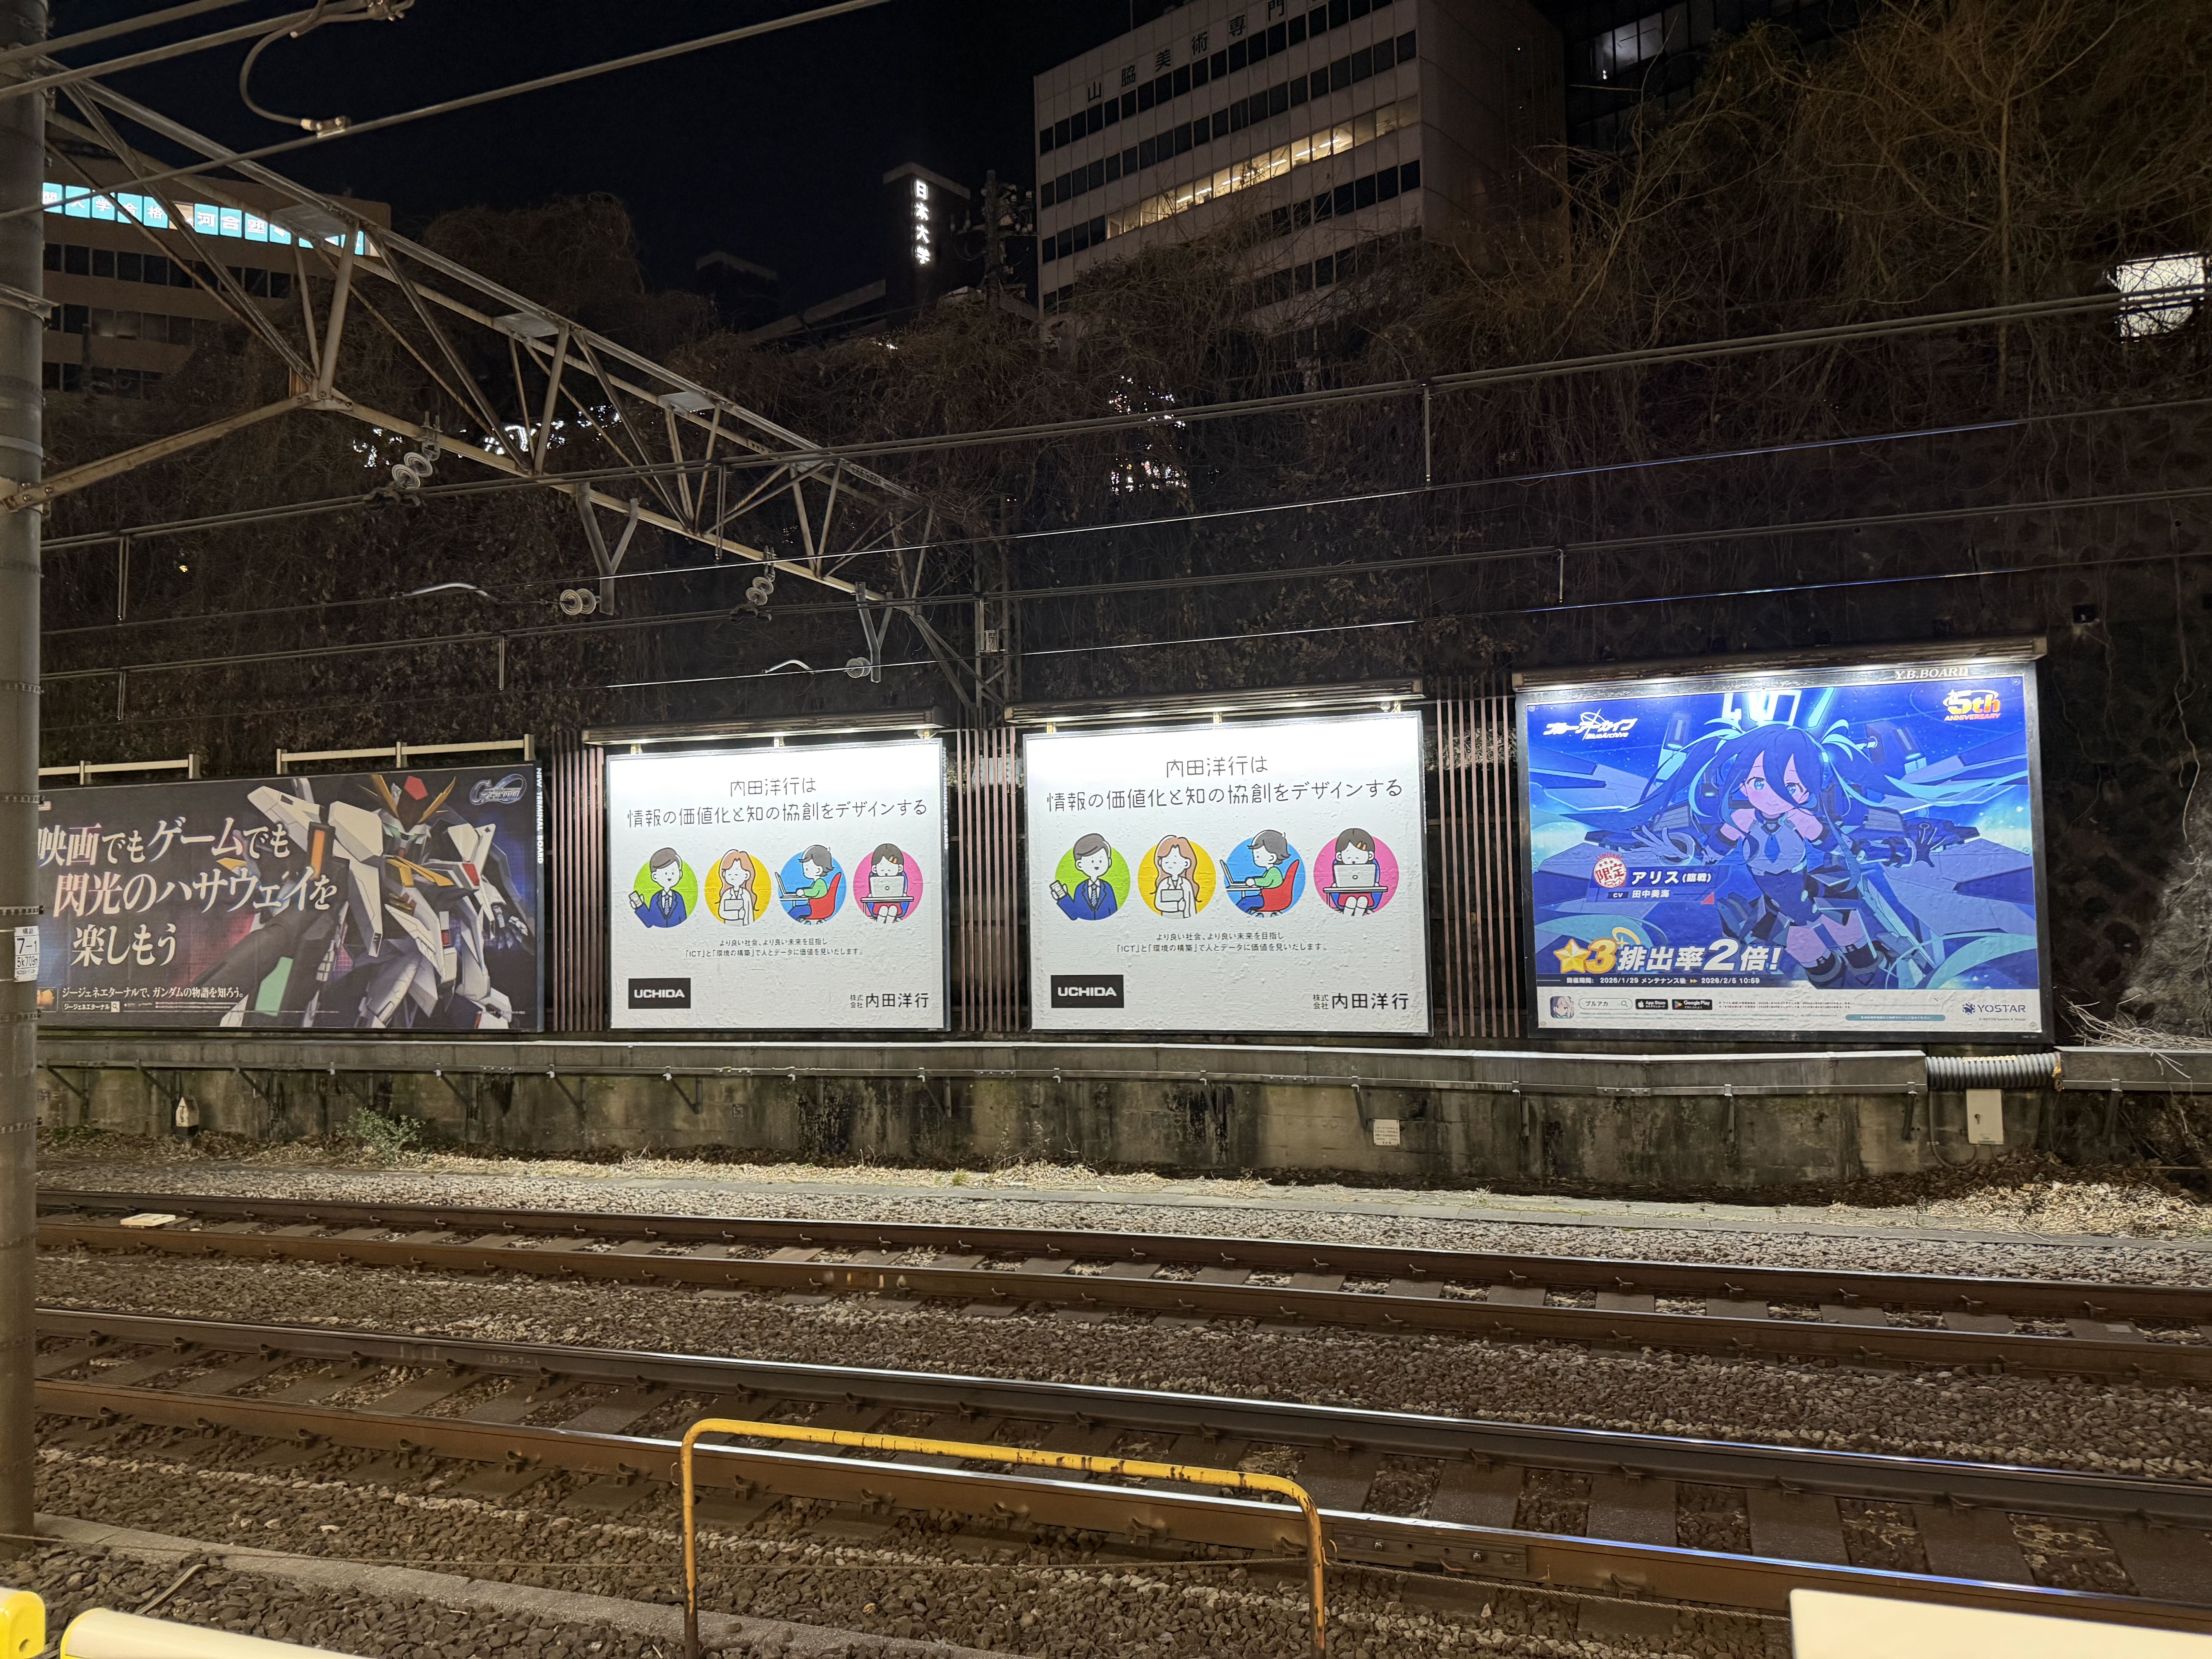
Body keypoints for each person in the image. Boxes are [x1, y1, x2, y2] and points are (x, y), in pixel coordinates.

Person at [1050, 833, 1119, 920]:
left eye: (1101, 861)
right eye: (1092, 861)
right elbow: (1074, 914)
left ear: (1109, 862)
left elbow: (1114, 912)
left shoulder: (1108, 888)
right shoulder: (1080, 888)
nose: (1097, 865)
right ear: (1080, 865)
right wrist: (1063, 898)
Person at [1233, 828, 1291, 912]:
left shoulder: (1274, 872)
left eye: (1258, 856)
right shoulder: (1270, 871)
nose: (1255, 859)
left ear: (1272, 858)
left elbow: (1267, 882)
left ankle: (1236, 916)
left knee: (1247, 901)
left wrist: (1254, 882)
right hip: (1268, 898)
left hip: (1271, 900)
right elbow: (1265, 881)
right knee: (1247, 901)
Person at [1329, 827, 1382, 915]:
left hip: (1367, 896)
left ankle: (1358, 913)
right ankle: (1348, 913)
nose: (1354, 860)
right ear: (1339, 856)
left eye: (1358, 857)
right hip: (1344, 897)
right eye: (1349, 857)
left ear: (1370, 856)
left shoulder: (1372, 867)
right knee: (1350, 900)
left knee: (1364, 900)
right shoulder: (1339, 867)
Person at [630, 847, 688, 927]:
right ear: (655, 877)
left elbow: (684, 920)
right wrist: (640, 907)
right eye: (665, 873)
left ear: (680, 874)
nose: (669, 877)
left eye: (673, 873)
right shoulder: (655, 898)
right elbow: (650, 922)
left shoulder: (679, 898)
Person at [1150, 834, 1199, 918]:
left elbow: (1191, 906)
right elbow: (1158, 904)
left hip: (1184, 918)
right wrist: (1177, 906)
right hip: (1166, 918)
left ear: (1186, 863)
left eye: (1175, 862)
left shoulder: (1186, 884)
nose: (1170, 865)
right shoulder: (1164, 884)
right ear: (1160, 862)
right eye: (1166, 862)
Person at [784, 844, 836, 919]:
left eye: (807, 869)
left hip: (817, 909)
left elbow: (814, 892)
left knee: (797, 911)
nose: (804, 871)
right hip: (815, 907)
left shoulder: (820, 883)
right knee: (797, 909)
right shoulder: (817, 882)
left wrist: (803, 892)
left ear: (818, 870)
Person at [866, 842, 911, 923]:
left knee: (894, 909)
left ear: (900, 868)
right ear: (875, 869)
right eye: (883, 870)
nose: (886, 873)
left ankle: (889, 921)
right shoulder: (874, 879)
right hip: (878, 905)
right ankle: (881, 921)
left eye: (890, 870)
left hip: (896, 905)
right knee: (883, 909)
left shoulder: (902, 878)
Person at [713, 850, 756, 924]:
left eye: (736, 874)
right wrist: (738, 915)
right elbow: (722, 913)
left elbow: (749, 915)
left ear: (746, 875)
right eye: (729, 874)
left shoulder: (746, 894)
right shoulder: (727, 894)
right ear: (724, 874)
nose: (732, 877)